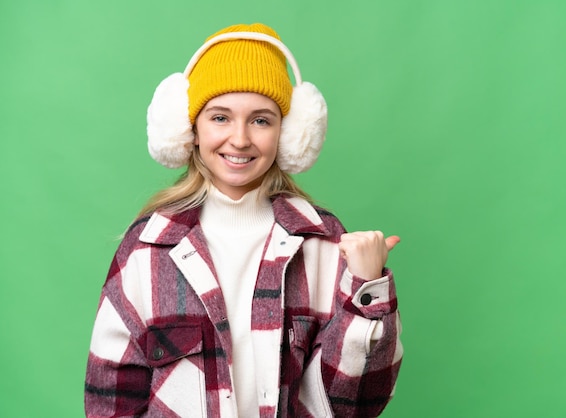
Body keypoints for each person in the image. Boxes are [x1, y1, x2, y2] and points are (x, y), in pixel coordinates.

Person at [84, 22, 403, 418]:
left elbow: (358, 403)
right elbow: (109, 398)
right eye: (220, 117)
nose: (239, 139)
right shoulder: (147, 247)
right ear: (190, 130)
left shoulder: (323, 243)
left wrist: (366, 289)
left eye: (261, 120)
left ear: (288, 135)